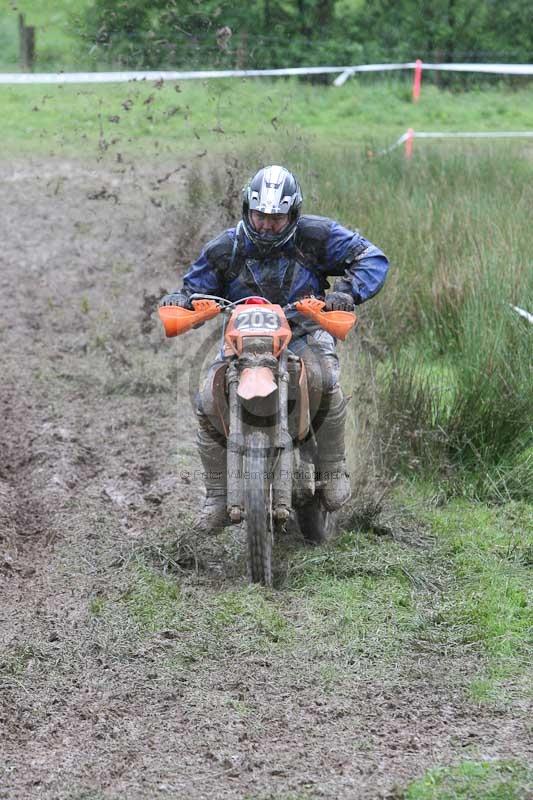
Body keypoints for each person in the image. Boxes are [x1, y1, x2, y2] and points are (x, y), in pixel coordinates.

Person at [160, 165, 389, 533]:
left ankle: (332, 468)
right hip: (244, 339)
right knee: (206, 398)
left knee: (326, 377)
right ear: (247, 210)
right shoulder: (227, 246)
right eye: (260, 216)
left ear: (292, 215)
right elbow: (194, 286)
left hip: (303, 329)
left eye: (276, 218)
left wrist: (347, 291)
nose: (266, 225)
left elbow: (371, 257)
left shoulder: (316, 236)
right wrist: (182, 298)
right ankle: (218, 495)